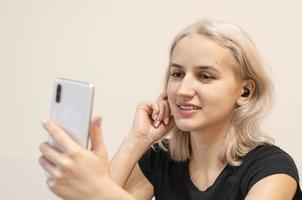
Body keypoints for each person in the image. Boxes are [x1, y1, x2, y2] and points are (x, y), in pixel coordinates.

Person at [39, 19, 302, 200]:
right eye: (177, 74)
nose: (183, 89)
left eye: (205, 76)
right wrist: (137, 140)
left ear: (245, 92)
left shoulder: (272, 168)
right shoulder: (160, 159)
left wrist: (100, 190)